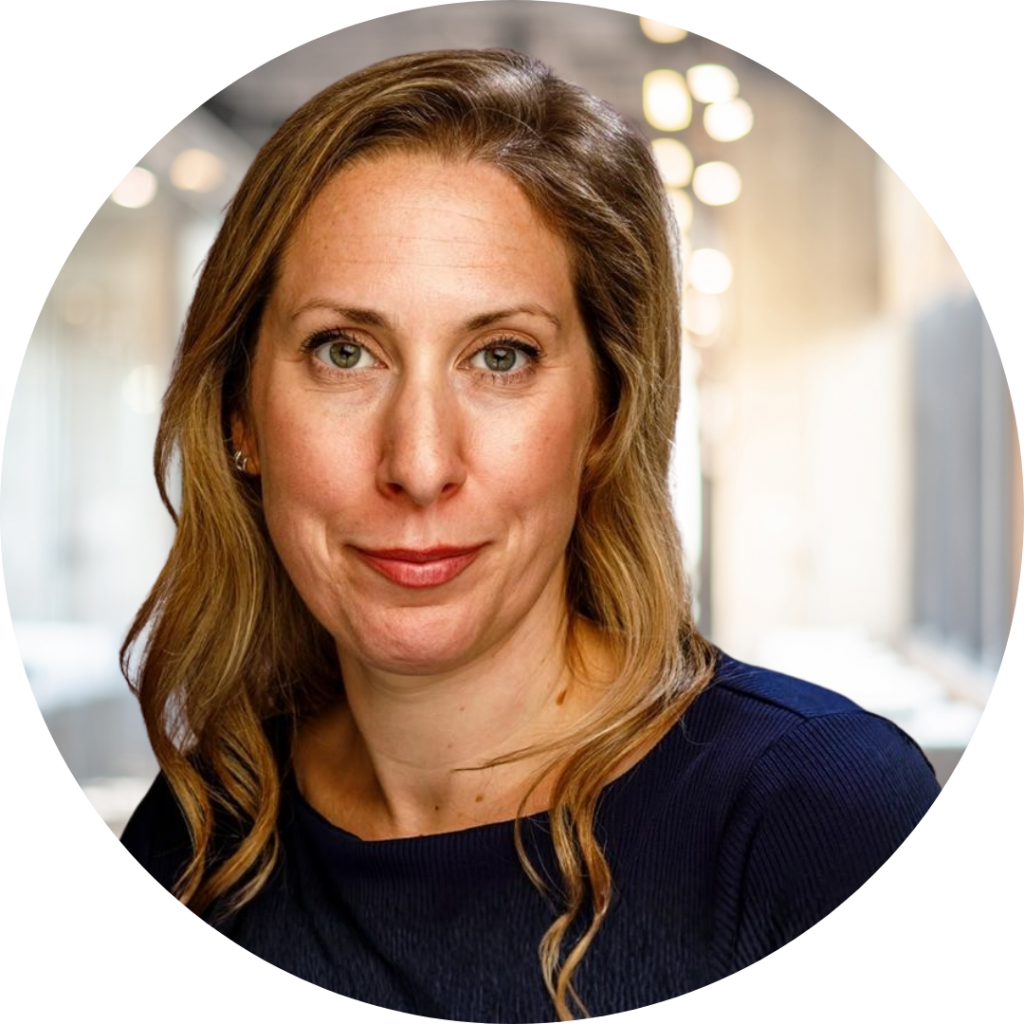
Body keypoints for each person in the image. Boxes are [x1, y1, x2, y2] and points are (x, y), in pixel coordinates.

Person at [120, 49, 940, 1022]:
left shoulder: (808, 819)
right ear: (240, 419)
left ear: (602, 418)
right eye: (345, 351)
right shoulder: (203, 835)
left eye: (499, 356)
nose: (419, 463)